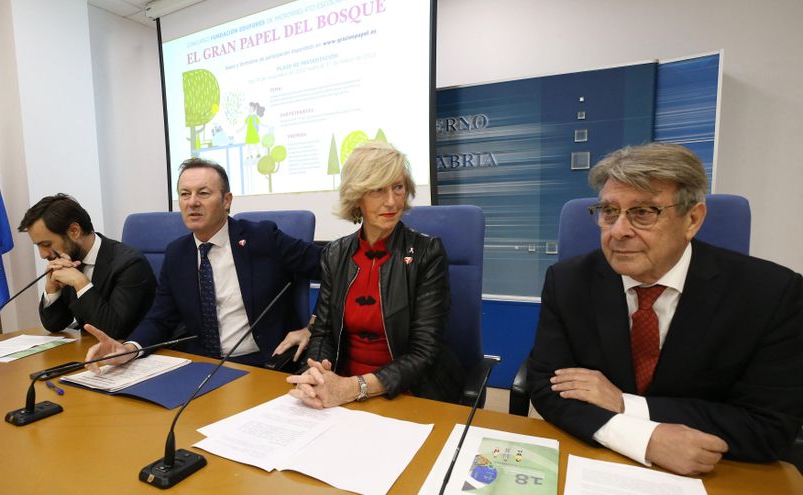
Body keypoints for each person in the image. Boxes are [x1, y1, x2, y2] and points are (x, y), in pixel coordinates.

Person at [527, 143, 803, 476]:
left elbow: (768, 425)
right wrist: (644, 439)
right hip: (598, 462)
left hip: (714, 471)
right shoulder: (568, 281)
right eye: (609, 211)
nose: (618, 231)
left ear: (692, 220)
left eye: (643, 212)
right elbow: (548, 387)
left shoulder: (771, 294)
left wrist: (627, 405)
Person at [84, 158, 321, 368]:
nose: (192, 202)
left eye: (203, 193)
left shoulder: (262, 238)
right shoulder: (177, 253)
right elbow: (160, 318)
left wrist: (313, 327)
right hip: (201, 366)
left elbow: (334, 267)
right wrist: (130, 348)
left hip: (262, 363)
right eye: (185, 194)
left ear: (226, 200)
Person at [287, 141, 464, 408]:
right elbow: (323, 332)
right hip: (341, 387)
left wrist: (354, 387)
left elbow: (424, 353)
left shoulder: (427, 253)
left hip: (407, 391)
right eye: (377, 190)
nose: (391, 201)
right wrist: (318, 373)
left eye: (398, 187)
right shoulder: (336, 254)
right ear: (357, 196)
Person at [18, 194, 157, 339]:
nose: (42, 255)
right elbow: (54, 325)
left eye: (46, 244)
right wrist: (52, 289)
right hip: (91, 351)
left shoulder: (130, 263)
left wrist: (80, 283)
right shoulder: (70, 260)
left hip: (137, 352)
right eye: (38, 246)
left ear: (74, 231)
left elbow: (114, 331)